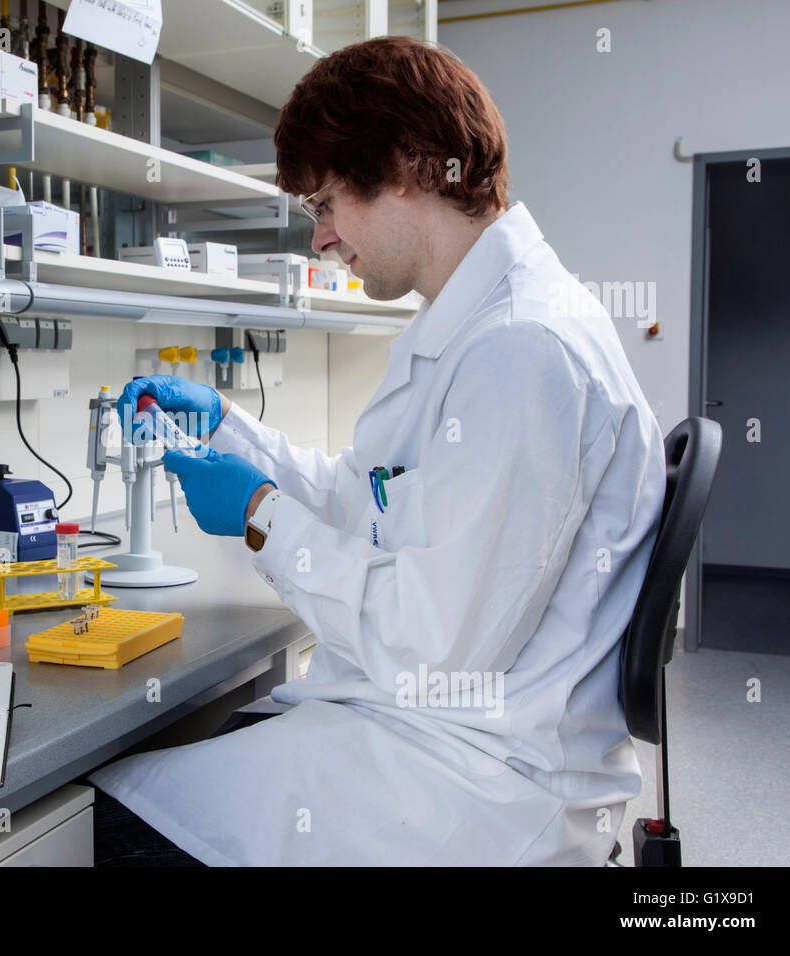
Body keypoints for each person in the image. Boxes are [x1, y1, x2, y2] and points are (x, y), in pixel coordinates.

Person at [87, 35, 666, 866]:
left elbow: (437, 642)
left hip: (480, 785)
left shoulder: (525, 349)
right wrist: (228, 430)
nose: (320, 239)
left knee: (92, 832)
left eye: (325, 204)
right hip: (436, 736)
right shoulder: (468, 327)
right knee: (171, 770)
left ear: (405, 169)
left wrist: (259, 517)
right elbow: (371, 501)